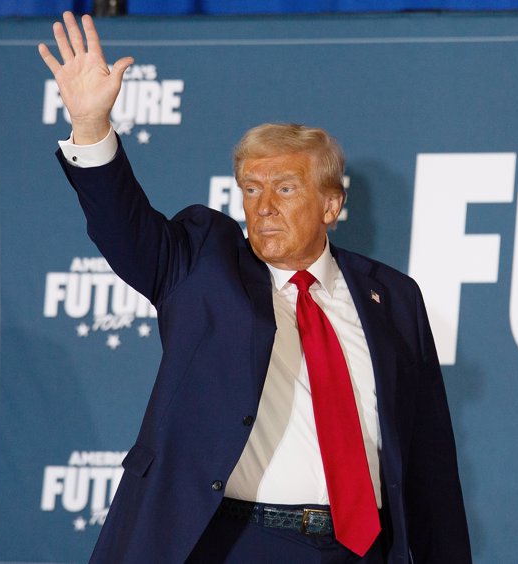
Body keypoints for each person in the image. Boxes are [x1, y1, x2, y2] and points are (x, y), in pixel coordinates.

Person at [39, 11, 472, 564]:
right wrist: (92, 128)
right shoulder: (203, 263)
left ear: (332, 204)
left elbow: (429, 453)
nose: (262, 207)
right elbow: (126, 231)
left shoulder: (393, 297)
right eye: (250, 188)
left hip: (362, 548)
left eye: (285, 188)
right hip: (237, 543)